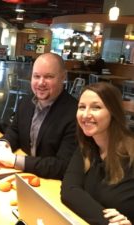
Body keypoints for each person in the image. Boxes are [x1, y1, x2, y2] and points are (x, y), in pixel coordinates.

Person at [0, 53, 78, 179]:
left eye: (49, 77)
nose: (41, 83)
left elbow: (63, 166)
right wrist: (4, 144)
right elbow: (15, 130)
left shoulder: (75, 113)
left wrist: (15, 160)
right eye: (36, 76)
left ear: (63, 77)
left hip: (49, 183)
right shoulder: (26, 102)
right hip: (24, 176)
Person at [61, 82, 134, 225]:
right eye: (82, 107)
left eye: (96, 107)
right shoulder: (87, 146)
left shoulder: (131, 155)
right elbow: (69, 191)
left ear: (113, 113)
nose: (86, 115)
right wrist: (107, 221)